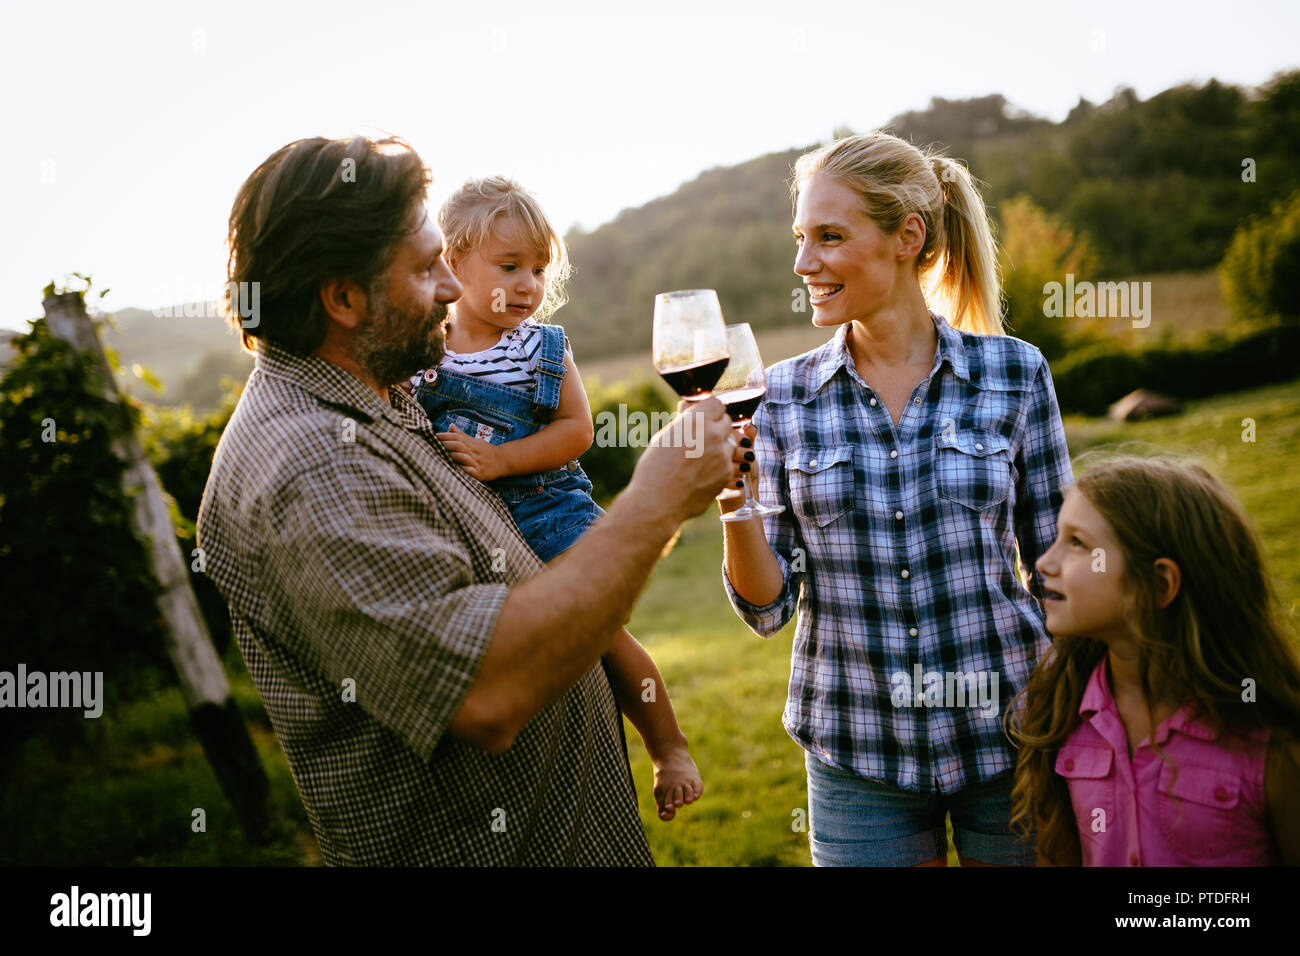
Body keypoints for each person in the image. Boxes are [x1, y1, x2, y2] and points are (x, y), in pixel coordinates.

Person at [196, 135, 743, 866]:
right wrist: (659, 498)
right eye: (427, 269)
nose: (452, 290)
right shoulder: (315, 467)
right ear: (344, 299)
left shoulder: (383, 395)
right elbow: (486, 693)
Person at [721, 131, 1074, 866]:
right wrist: (736, 502)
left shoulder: (1015, 374)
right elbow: (768, 608)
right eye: (800, 237)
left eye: (829, 237)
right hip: (857, 754)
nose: (803, 262)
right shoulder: (779, 397)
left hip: (1010, 731)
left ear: (907, 237)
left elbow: (1060, 572)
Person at [408, 176, 702, 821]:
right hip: (473, 526)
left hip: (546, 507)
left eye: (538, 269)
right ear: (452, 264)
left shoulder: (540, 349)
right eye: (509, 266)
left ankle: (668, 747)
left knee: (603, 632)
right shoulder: (424, 351)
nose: (527, 286)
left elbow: (576, 430)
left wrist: (505, 458)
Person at [1008, 456, 1300, 866]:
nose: (1042, 563)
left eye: (1077, 543)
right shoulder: (1058, 713)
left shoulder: (1273, 742)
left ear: (1159, 584)